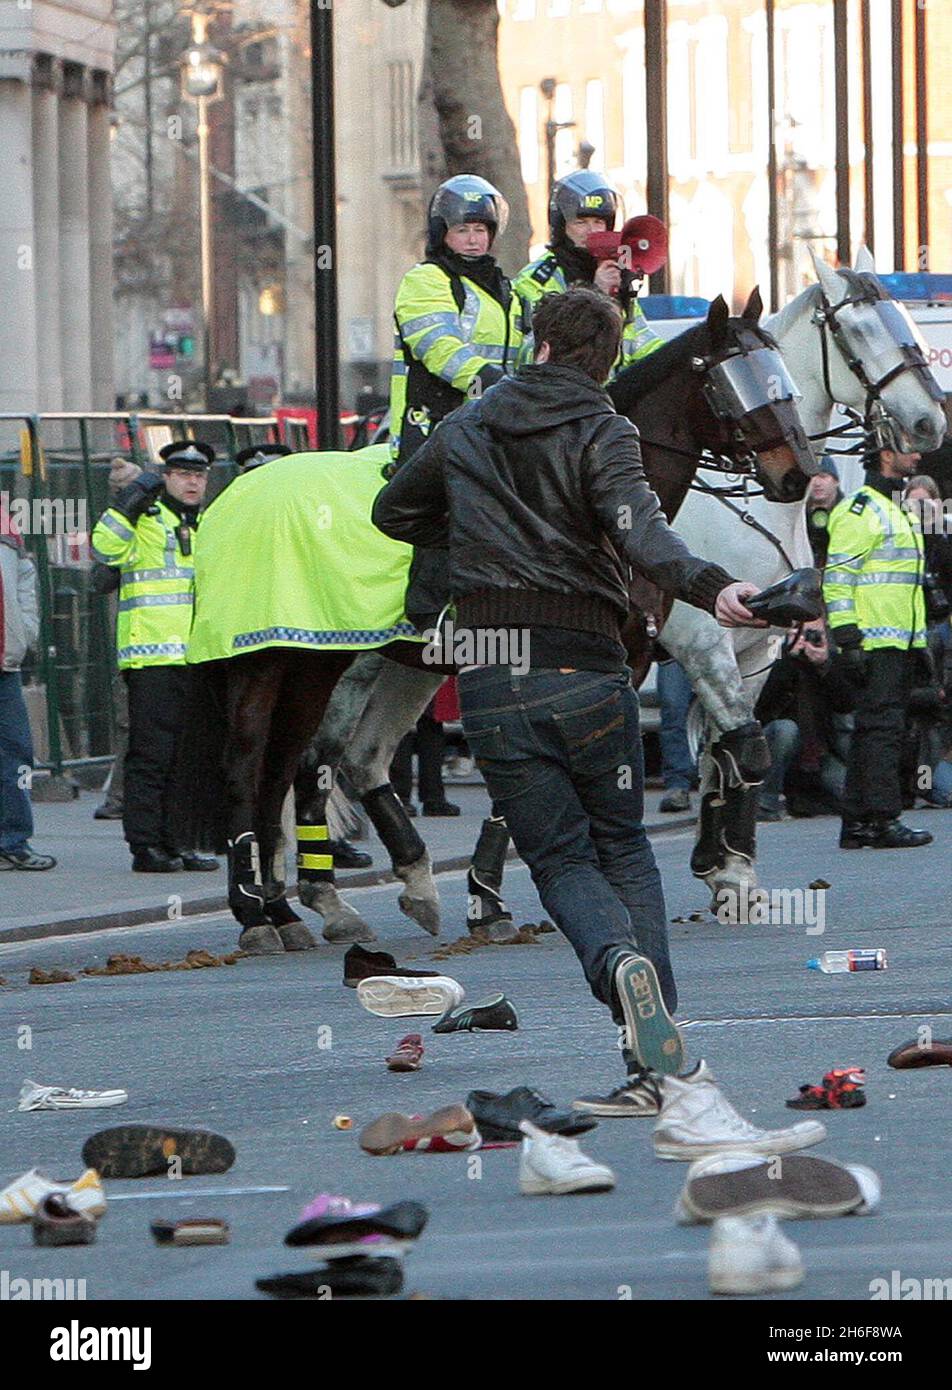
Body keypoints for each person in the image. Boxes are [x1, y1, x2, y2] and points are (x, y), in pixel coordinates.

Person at [373, 285, 763, 1116]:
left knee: (557, 859)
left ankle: (610, 962)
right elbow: (645, 539)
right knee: (622, 849)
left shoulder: (469, 423)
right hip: (584, 663)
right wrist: (718, 588)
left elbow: (393, 509)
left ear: (538, 345)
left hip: (486, 664)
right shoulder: (604, 430)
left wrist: (476, 527)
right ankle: (653, 1052)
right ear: (609, 360)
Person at [90, 441, 220, 873]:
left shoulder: (206, 523)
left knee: (188, 758)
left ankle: (179, 841)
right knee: (152, 756)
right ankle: (146, 845)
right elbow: (105, 548)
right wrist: (130, 501)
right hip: (151, 656)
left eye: (199, 475)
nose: (192, 482)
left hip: (197, 657)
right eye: (182, 474)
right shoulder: (147, 519)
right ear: (165, 477)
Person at [824, 424, 933, 849]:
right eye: (910, 448)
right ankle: (881, 820)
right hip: (873, 643)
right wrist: (848, 639)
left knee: (877, 729)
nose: (918, 456)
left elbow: (906, 587)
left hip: (898, 643)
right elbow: (837, 581)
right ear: (886, 454)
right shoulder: (859, 511)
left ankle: (857, 823)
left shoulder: (898, 511)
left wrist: (918, 642)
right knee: (881, 731)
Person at [388, 173, 525, 474]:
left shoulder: (507, 289)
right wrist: (493, 382)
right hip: (434, 430)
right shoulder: (426, 279)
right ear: (443, 234)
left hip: (494, 429)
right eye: (462, 230)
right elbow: (438, 347)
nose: (474, 239)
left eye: (480, 229)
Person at [514, 169, 663, 378]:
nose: (591, 231)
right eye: (580, 222)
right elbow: (531, 354)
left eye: (598, 222)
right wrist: (596, 293)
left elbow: (639, 338)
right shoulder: (535, 281)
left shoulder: (616, 273)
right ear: (562, 226)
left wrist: (678, 353)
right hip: (560, 396)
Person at [753, 619, 856, 820]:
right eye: (802, 633)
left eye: (815, 634)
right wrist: (787, 658)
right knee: (786, 729)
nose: (808, 639)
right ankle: (765, 801)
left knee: (852, 801)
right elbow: (762, 707)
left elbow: (846, 704)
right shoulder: (775, 656)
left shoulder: (830, 661)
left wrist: (824, 665)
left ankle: (807, 797)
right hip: (779, 745)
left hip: (819, 752)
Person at [0, 499, 55, 869]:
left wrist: (26, 633)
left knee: (17, 751)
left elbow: (25, 578)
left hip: (5, 661)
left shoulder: (3, 518)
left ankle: (13, 840)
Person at [655, 650, 697, 814]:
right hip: (675, 648)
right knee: (672, 710)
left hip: (723, 641)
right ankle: (677, 785)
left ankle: (728, 785)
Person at [805, 458, 843, 568]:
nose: (817, 483)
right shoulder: (797, 514)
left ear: (836, 481)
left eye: (823, 476)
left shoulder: (847, 514)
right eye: (812, 477)